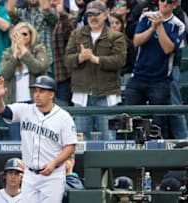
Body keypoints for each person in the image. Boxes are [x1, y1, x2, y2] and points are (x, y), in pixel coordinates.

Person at [0, 76, 77, 202]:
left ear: (51, 94)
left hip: (52, 175)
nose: (37, 95)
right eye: (35, 91)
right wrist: (0, 98)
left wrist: (54, 163)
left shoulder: (63, 118)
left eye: (41, 91)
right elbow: (3, 111)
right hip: (29, 174)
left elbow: (71, 146)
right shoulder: (26, 110)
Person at [64, 0, 126, 140]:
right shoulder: (76, 34)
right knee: (79, 141)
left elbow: (120, 60)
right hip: (81, 94)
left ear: (105, 15)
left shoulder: (116, 36)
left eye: (96, 14)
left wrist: (96, 59)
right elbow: (67, 60)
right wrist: (80, 57)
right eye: (89, 14)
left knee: (109, 139)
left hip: (107, 94)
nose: (92, 17)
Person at [124, 0, 186, 138]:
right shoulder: (146, 17)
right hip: (139, 76)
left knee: (158, 125)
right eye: (162, 0)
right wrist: (152, 28)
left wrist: (159, 27)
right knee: (131, 119)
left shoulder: (178, 25)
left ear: (174, 5)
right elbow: (136, 41)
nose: (164, 3)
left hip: (160, 80)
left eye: (169, 1)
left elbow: (168, 49)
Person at [0, 22, 49, 140]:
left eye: (25, 34)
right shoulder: (8, 53)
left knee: (37, 141)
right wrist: (15, 57)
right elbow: (4, 74)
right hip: (15, 105)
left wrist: (23, 50)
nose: (21, 37)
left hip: (35, 104)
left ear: (31, 36)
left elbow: (38, 67)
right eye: (18, 34)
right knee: (17, 142)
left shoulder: (39, 49)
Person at [7, 0, 58, 70]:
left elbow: (46, 7)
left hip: (44, 62)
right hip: (24, 62)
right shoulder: (22, 12)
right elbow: (10, 10)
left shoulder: (47, 11)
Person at [51, 0, 76, 106]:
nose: (54, 2)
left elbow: (71, 35)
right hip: (48, 71)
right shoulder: (42, 16)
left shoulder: (71, 18)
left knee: (63, 109)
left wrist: (62, 15)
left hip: (64, 74)